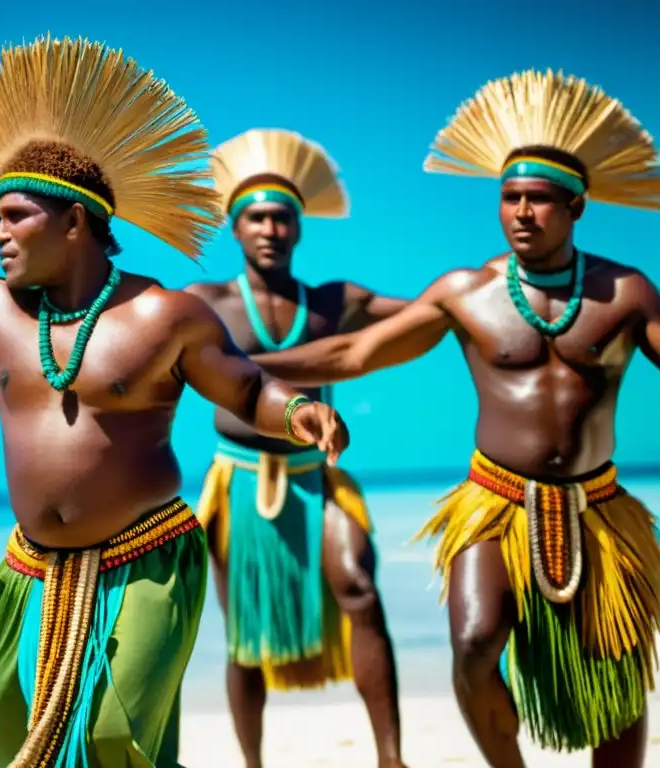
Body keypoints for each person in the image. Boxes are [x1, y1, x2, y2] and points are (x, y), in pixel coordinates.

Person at [0, 35, 350, 768]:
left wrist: (299, 412)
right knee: (19, 747)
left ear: (74, 223)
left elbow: (244, 385)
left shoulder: (164, 314)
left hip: (144, 559)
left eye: (15, 216)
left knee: (119, 741)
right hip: (31, 571)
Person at [252, 69, 660, 767]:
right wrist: (242, 366)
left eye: (539, 200)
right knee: (474, 643)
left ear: (577, 208)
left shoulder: (624, 292)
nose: (522, 213)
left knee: (616, 682)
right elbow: (355, 350)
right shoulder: (466, 292)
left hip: (598, 505)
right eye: (510, 198)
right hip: (493, 502)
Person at [184, 128, 408, 768]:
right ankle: (252, 763)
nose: (270, 229)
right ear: (234, 227)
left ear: (300, 227)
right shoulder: (206, 303)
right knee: (243, 638)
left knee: (359, 587)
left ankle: (391, 758)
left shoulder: (335, 302)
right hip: (238, 483)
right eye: (256, 217)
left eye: (282, 217)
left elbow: (430, 314)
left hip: (319, 475)